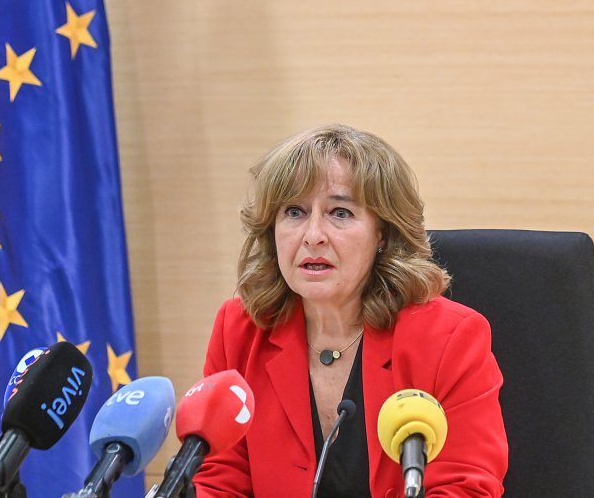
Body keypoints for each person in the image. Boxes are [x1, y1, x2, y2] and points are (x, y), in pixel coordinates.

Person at [194, 124, 508, 497]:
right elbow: (219, 478)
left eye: (340, 213)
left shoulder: (448, 340)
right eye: (294, 212)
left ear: (382, 234)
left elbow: (466, 487)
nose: (313, 235)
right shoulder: (240, 330)